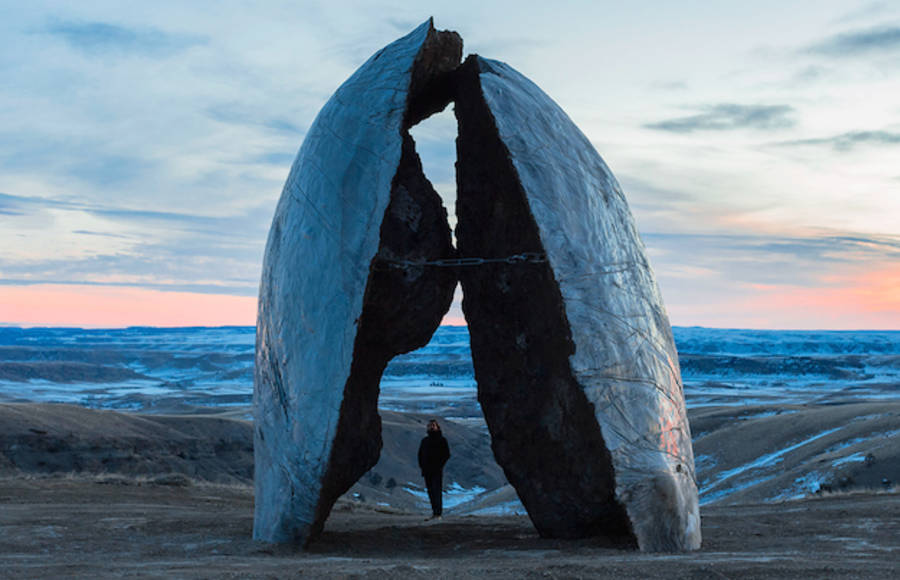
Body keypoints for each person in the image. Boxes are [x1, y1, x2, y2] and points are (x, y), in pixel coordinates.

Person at [417, 419, 450, 520]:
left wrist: (439, 465)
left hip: (436, 470)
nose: (431, 427)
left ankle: (438, 513)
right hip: (427, 470)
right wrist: (422, 466)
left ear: (437, 427)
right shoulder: (425, 441)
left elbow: (446, 454)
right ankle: (434, 512)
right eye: (430, 425)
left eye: (433, 425)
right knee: (430, 491)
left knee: (437, 491)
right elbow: (420, 454)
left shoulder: (442, 440)